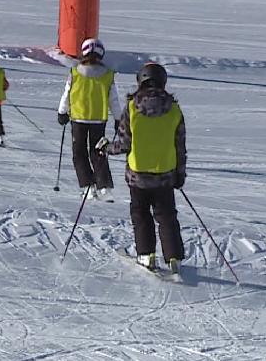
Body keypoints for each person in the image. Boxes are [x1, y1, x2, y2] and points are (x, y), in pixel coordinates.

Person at [110, 62, 187, 273]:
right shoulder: (174, 109)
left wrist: (107, 148)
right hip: (165, 173)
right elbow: (179, 144)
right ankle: (174, 258)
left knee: (141, 214)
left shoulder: (133, 107)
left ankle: (146, 254)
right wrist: (180, 173)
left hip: (138, 174)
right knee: (167, 216)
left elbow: (124, 143)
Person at [57, 38, 122, 203]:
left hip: (78, 118)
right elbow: (114, 99)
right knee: (98, 152)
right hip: (98, 119)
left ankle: (88, 187)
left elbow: (67, 93)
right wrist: (118, 118)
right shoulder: (107, 75)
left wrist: (62, 112)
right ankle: (104, 187)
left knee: (79, 153)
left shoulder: (75, 72)